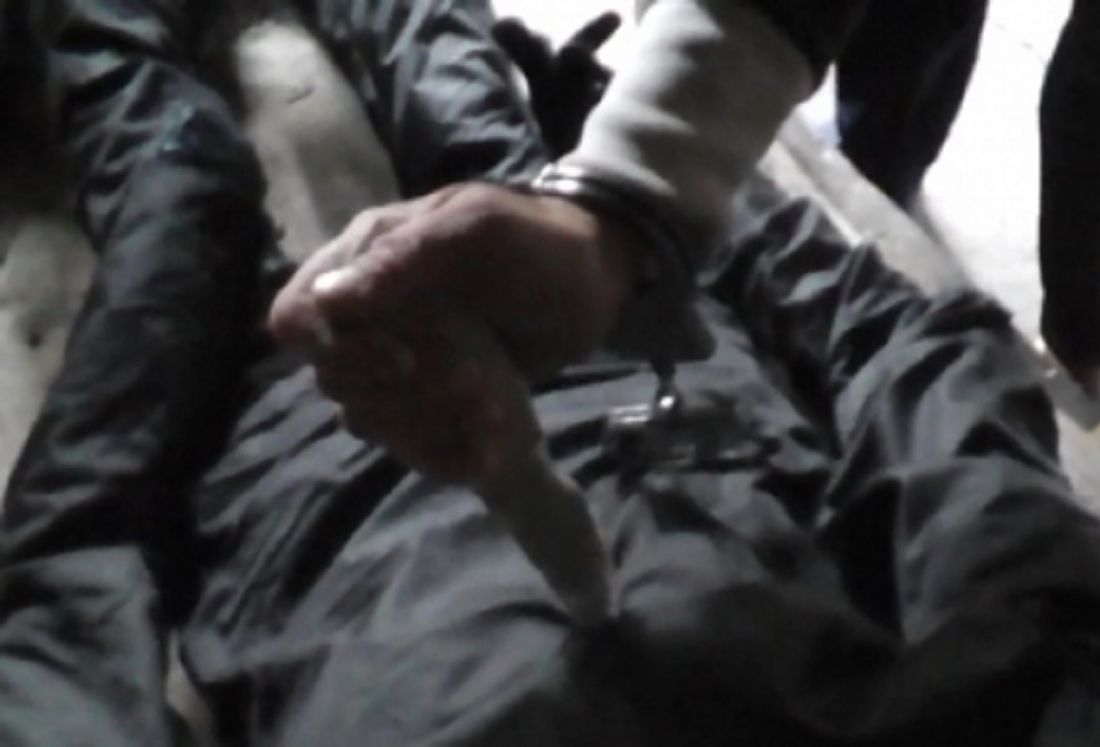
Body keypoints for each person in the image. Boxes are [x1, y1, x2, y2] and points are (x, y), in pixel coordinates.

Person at [2, 1, 1099, 744]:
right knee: (457, 84)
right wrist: (645, 216)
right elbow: (932, 377)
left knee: (186, 188)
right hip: (635, 353)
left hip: (304, 416)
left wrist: (82, 535)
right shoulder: (1019, 695)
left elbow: (64, 621)